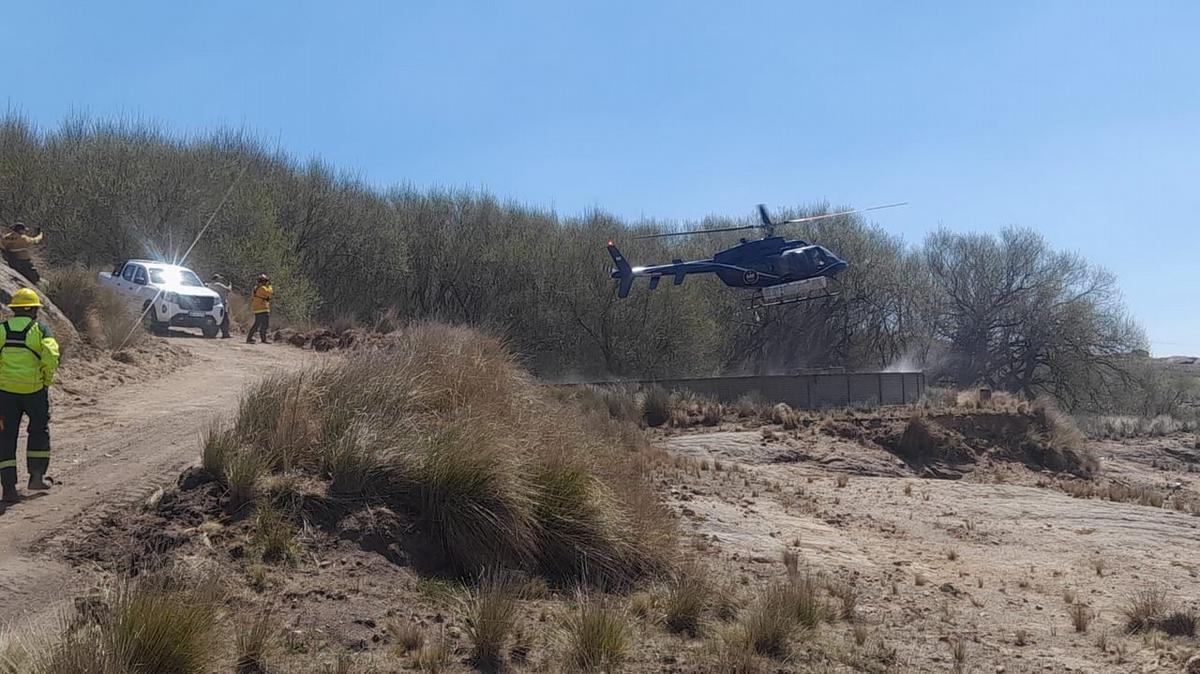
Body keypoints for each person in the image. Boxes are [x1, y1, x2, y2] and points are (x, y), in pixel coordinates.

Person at [0, 288, 60, 503]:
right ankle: (36, 478)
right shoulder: (41, 330)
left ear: (14, 309)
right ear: (34, 309)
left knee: (6, 439)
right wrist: (46, 380)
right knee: (38, 431)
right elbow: (51, 356)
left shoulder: (2, 329)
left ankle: (8, 489)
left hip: (5, 395)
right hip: (34, 393)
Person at [247, 273, 273, 344]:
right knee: (264, 325)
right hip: (263, 308)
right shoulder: (263, 288)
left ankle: (249, 338)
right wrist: (270, 286)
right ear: (263, 281)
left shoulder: (255, 288)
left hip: (257, 309)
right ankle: (263, 339)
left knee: (256, 324)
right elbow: (270, 293)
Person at [207, 273, 233, 339]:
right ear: (216, 279)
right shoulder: (219, 285)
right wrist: (230, 285)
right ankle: (225, 334)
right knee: (225, 319)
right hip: (222, 304)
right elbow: (228, 290)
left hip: (213, 305)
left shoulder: (209, 285)